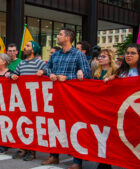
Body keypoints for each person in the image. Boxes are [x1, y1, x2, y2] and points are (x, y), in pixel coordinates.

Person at [39, 28, 90, 169]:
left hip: (72, 98)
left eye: (60, 34)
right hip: (55, 96)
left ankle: (77, 161)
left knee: (73, 127)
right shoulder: (55, 55)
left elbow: (86, 75)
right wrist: (49, 74)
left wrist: (68, 78)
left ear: (68, 37)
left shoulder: (79, 55)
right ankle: (54, 156)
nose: (58, 36)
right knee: (54, 125)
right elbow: (48, 68)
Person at [11, 41, 48, 161]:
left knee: (33, 124)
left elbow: (49, 69)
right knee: (23, 123)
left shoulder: (39, 62)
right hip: (22, 100)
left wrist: (43, 71)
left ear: (33, 50)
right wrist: (13, 76)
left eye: (27, 46)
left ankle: (32, 151)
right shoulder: (21, 64)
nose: (24, 48)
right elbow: (14, 74)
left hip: (35, 100)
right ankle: (23, 149)